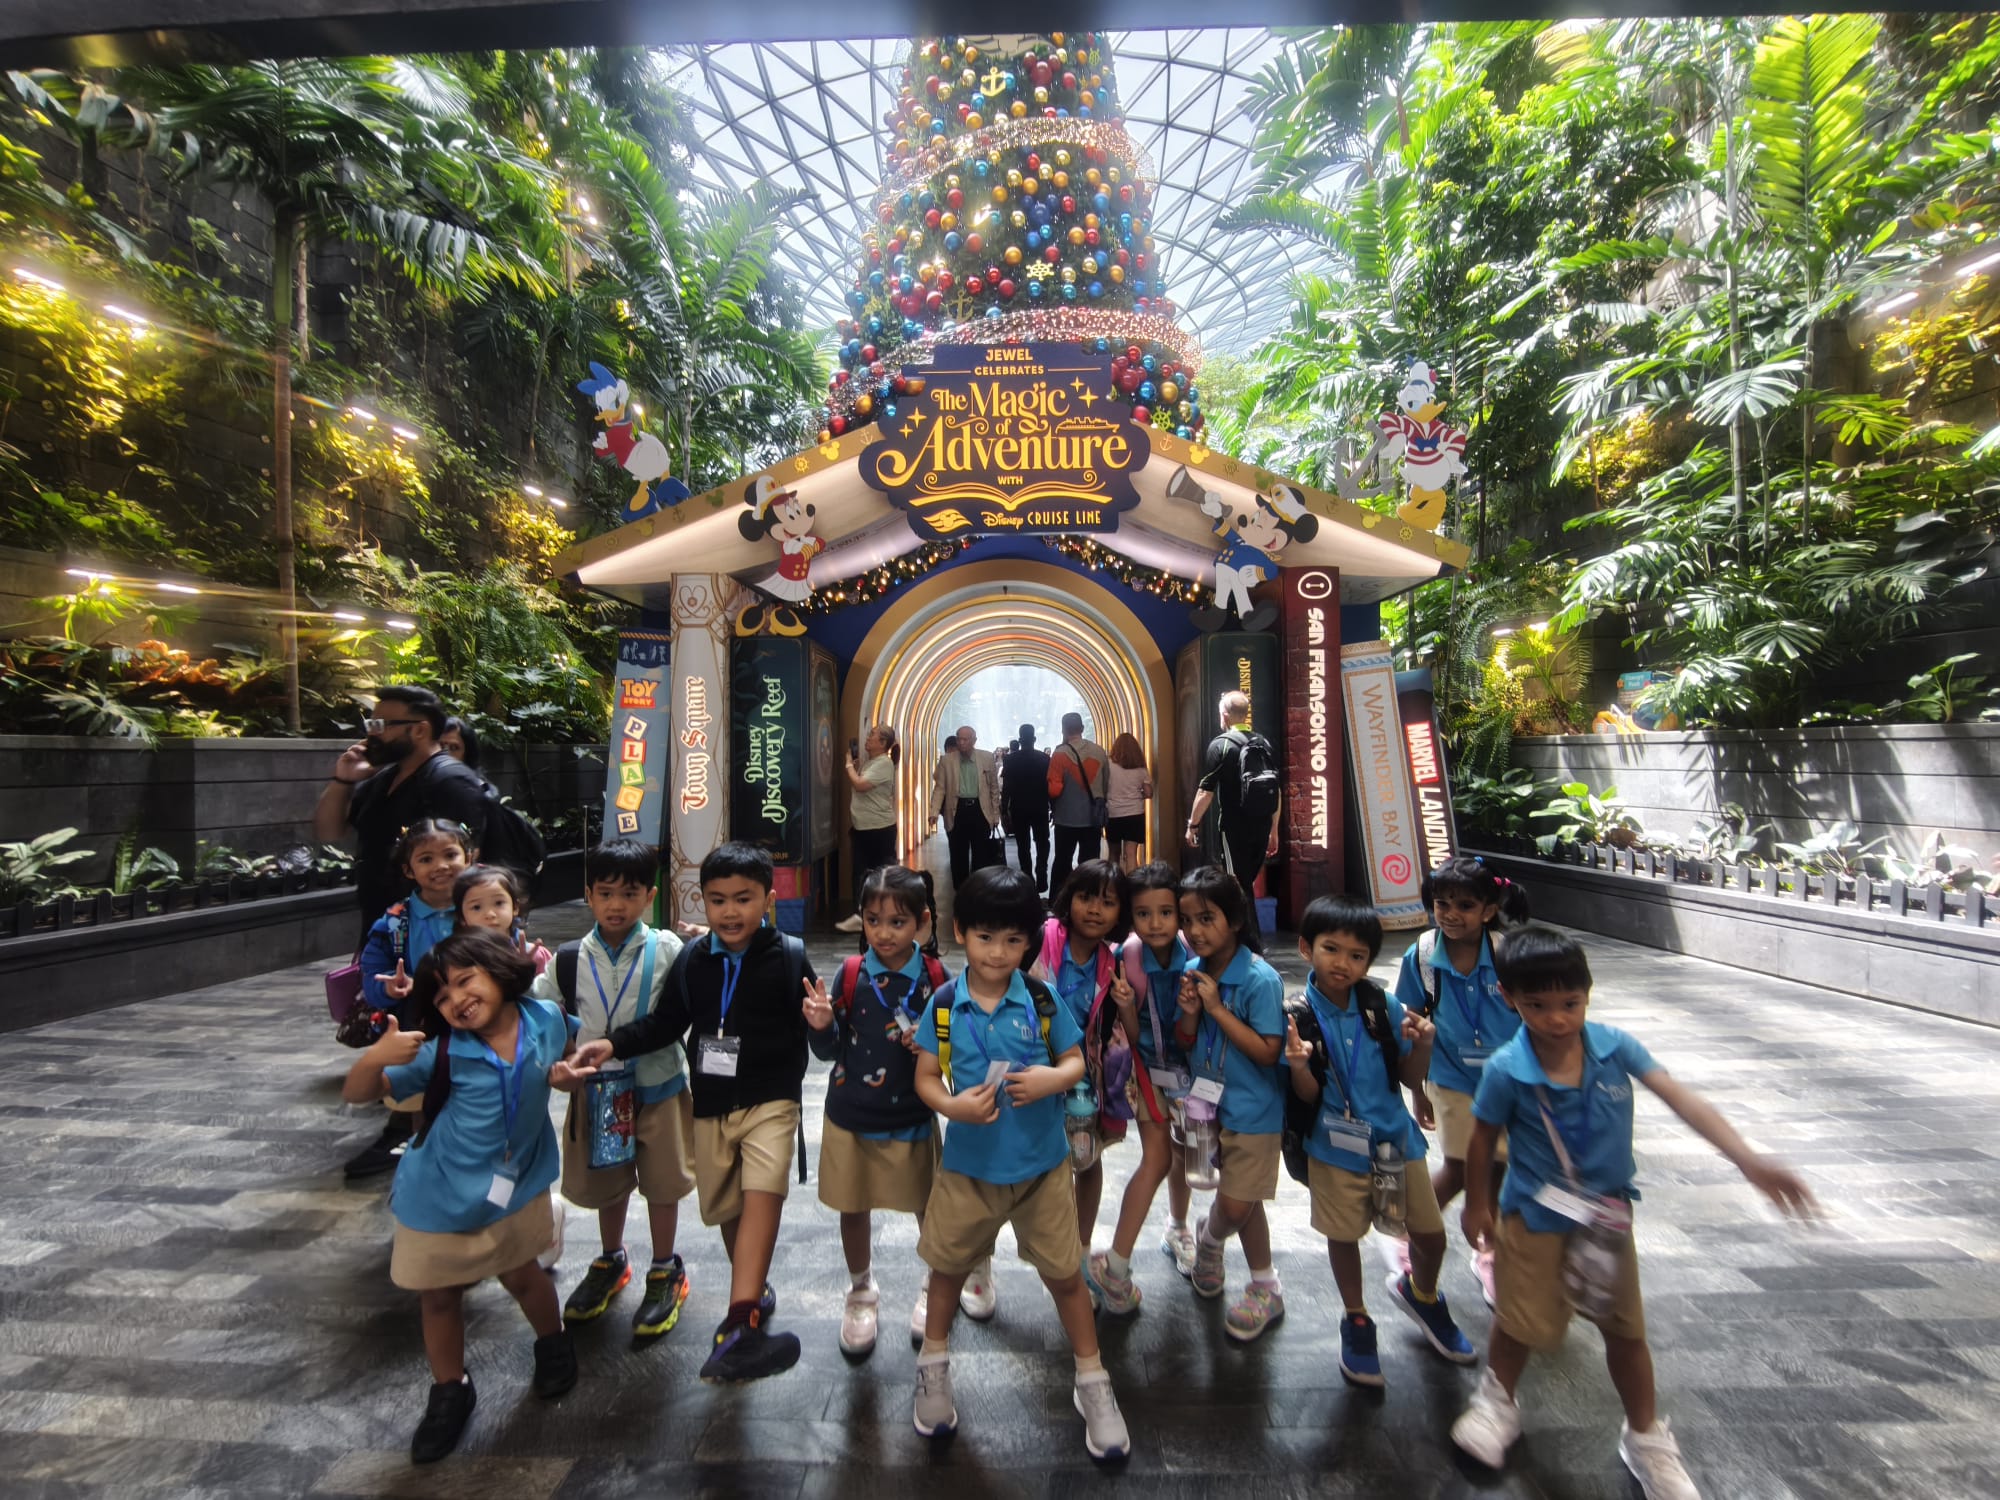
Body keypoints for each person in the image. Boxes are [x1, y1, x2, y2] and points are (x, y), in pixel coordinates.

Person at [1452, 926, 1817, 1498]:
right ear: (1509, 999)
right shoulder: (1506, 1067)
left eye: (1570, 1003)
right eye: (1537, 1005)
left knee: (1626, 1330)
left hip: (1606, 1222)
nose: (1556, 1019)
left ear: (1588, 994)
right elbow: (1481, 1139)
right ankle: (1498, 1401)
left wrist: (1747, 1159)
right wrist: (1477, 1203)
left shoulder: (1616, 1048)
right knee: (1520, 1321)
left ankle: (1645, 1435)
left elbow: (1681, 1099)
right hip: (1533, 1218)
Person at [909, 865, 1132, 1461]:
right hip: (969, 1168)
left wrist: (1050, 1079)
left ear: (1029, 942)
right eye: (985, 938)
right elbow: (926, 1077)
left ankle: (1092, 1380)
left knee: (1065, 1276)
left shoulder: (1039, 996)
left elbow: (1075, 1061)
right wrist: (952, 1105)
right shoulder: (945, 1004)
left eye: (1013, 940)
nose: (998, 952)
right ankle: (933, 1365)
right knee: (948, 1271)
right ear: (961, 933)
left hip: (1043, 1169)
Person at [568, 842, 814, 1383]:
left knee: (762, 1193)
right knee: (727, 1210)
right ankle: (749, 1294)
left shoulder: (789, 955)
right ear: (701, 901)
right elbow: (665, 1023)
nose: (730, 912)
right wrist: (612, 1045)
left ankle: (739, 1323)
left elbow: (826, 1044)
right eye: (718, 900)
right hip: (710, 1101)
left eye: (744, 899)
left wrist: (822, 1024)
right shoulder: (693, 961)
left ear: (768, 900)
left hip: (772, 1099)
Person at [343, 927, 579, 1463]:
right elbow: (358, 1094)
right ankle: (451, 1388)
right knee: (440, 1295)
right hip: (439, 1196)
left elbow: (568, 1054)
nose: (456, 1000)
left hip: (517, 1186)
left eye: (465, 982)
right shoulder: (439, 1050)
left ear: (498, 971)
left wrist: (570, 1076)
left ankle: (554, 1343)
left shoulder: (544, 1018)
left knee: (525, 1275)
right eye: (442, 995)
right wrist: (375, 1056)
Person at [1286, 895, 1477, 1388]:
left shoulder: (1381, 1006)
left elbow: (1410, 1077)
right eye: (1331, 949)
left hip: (1396, 1142)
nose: (1343, 964)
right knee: (1344, 1235)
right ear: (1307, 948)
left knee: (1430, 1235)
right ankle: (1356, 1318)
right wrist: (1299, 1065)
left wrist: (1427, 1044)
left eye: (1357, 955)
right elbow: (1306, 1095)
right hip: (1333, 1148)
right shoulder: (1299, 1015)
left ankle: (1424, 1294)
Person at [530, 840, 693, 1341]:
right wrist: (553, 1065)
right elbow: (539, 1015)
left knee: (663, 1181)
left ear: (649, 895)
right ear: (588, 896)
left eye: (629, 893)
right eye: (605, 893)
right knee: (608, 1179)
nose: (616, 904)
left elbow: (675, 1017)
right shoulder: (569, 958)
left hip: (659, 1085)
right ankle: (611, 1258)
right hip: (597, 1091)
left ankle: (665, 1267)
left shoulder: (668, 949)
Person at [803, 865, 949, 1355]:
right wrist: (822, 1025)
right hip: (851, 1113)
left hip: (911, 1112)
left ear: (922, 923)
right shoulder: (849, 975)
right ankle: (861, 1287)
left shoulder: (935, 980)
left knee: (927, 1205)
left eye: (897, 922)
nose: (883, 933)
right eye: (873, 920)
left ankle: (935, 1284)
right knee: (853, 1204)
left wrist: (930, 1048)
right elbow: (829, 1052)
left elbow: (952, 1053)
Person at [1395, 856, 1532, 1307]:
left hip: (1508, 1082)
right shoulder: (1421, 955)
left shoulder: (1510, 954)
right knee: (1458, 1165)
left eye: (1465, 905)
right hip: (1450, 1077)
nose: (1451, 914)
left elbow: (1532, 1017)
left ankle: (1487, 1252)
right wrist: (1418, 1092)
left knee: (1496, 1165)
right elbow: (1409, 1023)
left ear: (1489, 910)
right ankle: (1409, 1230)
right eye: (1442, 904)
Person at [1174, 865, 1287, 1342]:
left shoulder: (1260, 980)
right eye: (1188, 920)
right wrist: (1190, 1014)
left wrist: (1217, 1009)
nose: (1195, 931)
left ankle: (1210, 1239)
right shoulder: (1192, 971)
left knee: (1237, 1202)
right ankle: (1264, 1283)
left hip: (1254, 1110)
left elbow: (1268, 1051)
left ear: (1236, 920)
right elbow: (1184, 1040)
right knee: (1245, 1200)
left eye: (1207, 918)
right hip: (1208, 1106)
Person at [1091, 860, 1200, 1310]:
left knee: (1187, 1150)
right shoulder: (1126, 959)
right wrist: (1127, 1006)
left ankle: (1177, 1227)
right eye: (1143, 914)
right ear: (1130, 917)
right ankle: (1115, 1266)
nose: (1155, 924)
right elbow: (1132, 1035)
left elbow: (1192, 1035)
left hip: (1190, 1066)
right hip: (1145, 1065)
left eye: (1165, 912)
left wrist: (1191, 1010)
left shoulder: (1195, 950)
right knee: (1156, 1158)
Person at [343, 818, 478, 1180]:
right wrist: (387, 988)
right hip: (420, 1031)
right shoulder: (394, 923)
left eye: (450, 854)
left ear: (470, 857)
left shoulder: (483, 909)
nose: (440, 866)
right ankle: (425, 1169)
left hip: (478, 1029)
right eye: (426, 859)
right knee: (421, 1102)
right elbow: (371, 979)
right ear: (408, 868)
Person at [1031, 859, 1130, 1311]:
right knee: (1032, 1169)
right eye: (1086, 897)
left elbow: (1116, 1026)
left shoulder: (1114, 963)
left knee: (1087, 1164)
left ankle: (1080, 1248)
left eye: (1108, 902)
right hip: (1035, 1074)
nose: (1094, 910)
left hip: (1085, 1083)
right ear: (1068, 898)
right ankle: (991, 1260)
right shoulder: (1045, 939)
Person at [315, 686, 491, 935]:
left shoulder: (450, 781)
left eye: (381, 725)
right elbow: (329, 832)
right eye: (371, 725)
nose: (372, 734)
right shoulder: (384, 778)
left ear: (420, 730)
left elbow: (467, 862)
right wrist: (343, 780)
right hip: (384, 921)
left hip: (429, 929)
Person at [1184, 691, 1281, 952]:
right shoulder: (1263, 743)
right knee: (1245, 882)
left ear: (1224, 715)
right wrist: (1274, 829)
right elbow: (1275, 789)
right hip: (1261, 824)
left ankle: (1247, 944)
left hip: (1234, 827)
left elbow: (1206, 790)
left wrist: (1193, 824)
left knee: (1236, 883)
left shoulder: (1222, 745)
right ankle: (1250, 941)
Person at [836, 724, 902, 935]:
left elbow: (860, 785)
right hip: (866, 827)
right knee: (862, 873)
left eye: (872, 735)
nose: (867, 738)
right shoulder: (873, 762)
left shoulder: (883, 763)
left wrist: (848, 766)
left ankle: (882, 914)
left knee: (878, 873)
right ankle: (865, 914)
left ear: (882, 743)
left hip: (878, 828)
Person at [931, 724, 1001, 890]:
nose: (961, 743)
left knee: (981, 856)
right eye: (959, 739)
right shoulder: (947, 761)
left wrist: (995, 815)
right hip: (957, 811)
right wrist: (934, 811)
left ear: (974, 741)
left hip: (979, 811)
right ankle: (961, 893)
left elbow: (993, 789)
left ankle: (978, 892)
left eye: (965, 739)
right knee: (958, 856)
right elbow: (940, 788)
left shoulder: (986, 758)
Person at [451, 863, 552, 975]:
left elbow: (550, 991)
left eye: (498, 903)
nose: (490, 914)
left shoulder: (534, 955)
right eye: (476, 907)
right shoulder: (459, 960)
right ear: (462, 918)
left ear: (515, 907)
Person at [1047, 712, 1109, 891]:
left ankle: (1059, 898)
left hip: (1065, 818)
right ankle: (1089, 894)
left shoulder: (1060, 754)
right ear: (1082, 729)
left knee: (1062, 860)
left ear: (1063, 729)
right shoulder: (1099, 751)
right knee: (1090, 862)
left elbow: (1054, 789)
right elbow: (1106, 784)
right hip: (1092, 818)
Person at [1000, 722, 1052, 891]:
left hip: (1019, 808)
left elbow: (1007, 786)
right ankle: (1042, 872)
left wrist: (1003, 809)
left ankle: (1027, 876)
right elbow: (1049, 785)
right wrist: (1053, 807)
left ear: (1020, 740)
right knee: (1043, 841)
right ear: (1034, 739)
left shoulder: (1010, 759)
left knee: (1023, 845)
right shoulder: (1044, 759)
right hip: (1040, 807)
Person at [1103, 733, 1153, 873]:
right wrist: (1138, 793)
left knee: (1113, 854)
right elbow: (1149, 793)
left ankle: (1113, 885)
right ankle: (1132, 888)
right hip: (1135, 814)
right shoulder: (1140, 767)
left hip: (1114, 813)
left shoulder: (1108, 765)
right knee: (1131, 855)